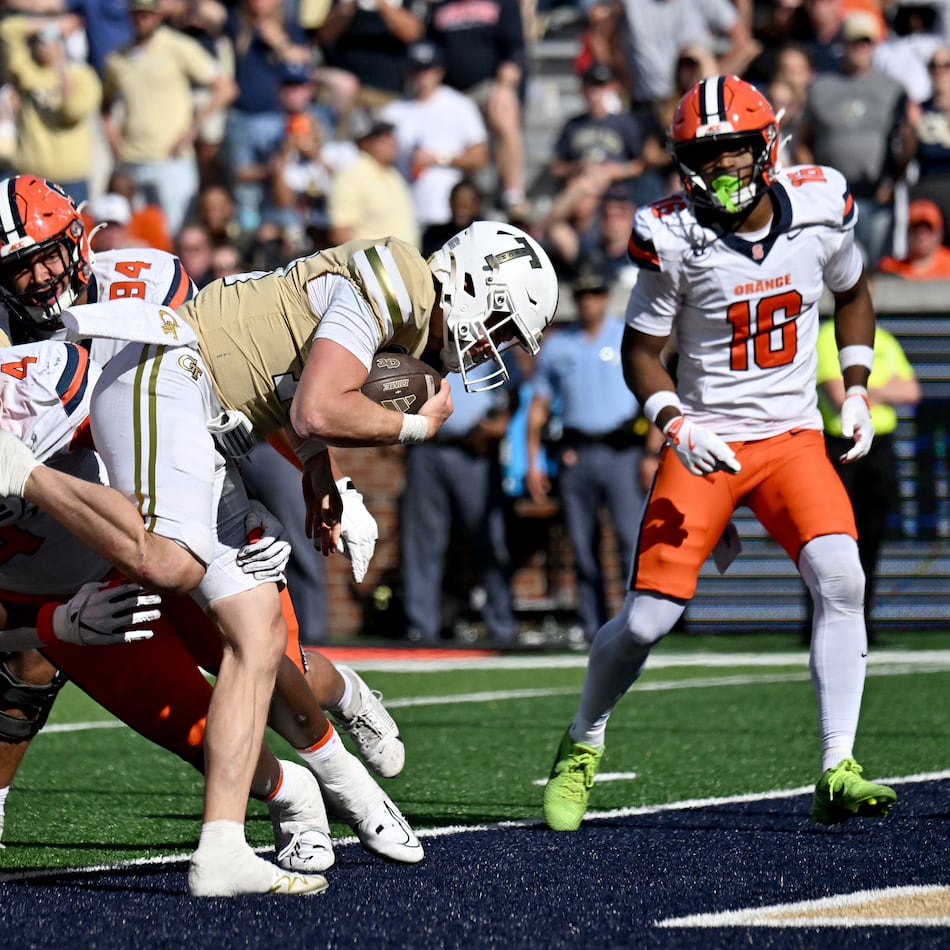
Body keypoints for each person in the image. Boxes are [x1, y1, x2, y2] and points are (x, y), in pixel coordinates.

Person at [0, 176, 422, 893]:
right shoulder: (19, 370)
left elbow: (238, 386)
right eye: (19, 266)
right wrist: (53, 622)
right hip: (80, 566)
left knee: (264, 658)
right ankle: (292, 800)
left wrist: (316, 476)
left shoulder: (146, 281)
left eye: (47, 254)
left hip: (183, 508)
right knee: (176, 717)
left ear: (78, 236)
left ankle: (342, 723)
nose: (39, 276)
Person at [542, 75, 897, 834]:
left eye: (734, 151)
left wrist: (858, 385)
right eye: (706, 155)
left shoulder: (821, 205)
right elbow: (642, 352)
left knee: (841, 576)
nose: (723, 169)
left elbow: (855, 294)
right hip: (708, 438)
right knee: (645, 623)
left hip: (794, 433)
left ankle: (838, 763)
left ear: (766, 147)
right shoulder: (673, 235)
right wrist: (675, 422)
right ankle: (583, 740)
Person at [525, 258, 645, 643]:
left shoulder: (625, 336)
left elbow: (650, 394)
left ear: (606, 297)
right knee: (582, 545)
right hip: (576, 454)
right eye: (582, 295)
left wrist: (653, 452)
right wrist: (533, 463)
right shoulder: (559, 346)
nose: (589, 301)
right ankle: (595, 626)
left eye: (595, 293)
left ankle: (637, 624)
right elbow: (539, 408)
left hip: (622, 451)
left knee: (631, 541)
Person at [810, 317, 922, 641]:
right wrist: (886, 389)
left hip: (880, 448)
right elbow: (838, 394)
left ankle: (863, 623)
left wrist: (867, 391)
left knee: (871, 538)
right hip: (841, 448)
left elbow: (912, 390)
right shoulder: (828, 335)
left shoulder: (883, 338)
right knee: (831, 538)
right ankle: (821, 623)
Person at [400, 358, 519, 645]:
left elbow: (517, 393)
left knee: (489, 540)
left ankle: (502, 625)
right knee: (422, 543)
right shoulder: (425, 336)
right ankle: (421, 628)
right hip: (426, 449)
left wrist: (498, 426)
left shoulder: (491, 340)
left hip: (474, 451)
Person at [101, 0, 237, 234]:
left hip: (171, 159)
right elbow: (105, 105)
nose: (142, 19)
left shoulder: (178, 47)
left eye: (148, 14)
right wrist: (113, 139)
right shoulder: (117, 58)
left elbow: (226, 88)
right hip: (132, 159)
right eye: (137, 14)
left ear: (158, 16)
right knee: (132, 237)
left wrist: (191, 130)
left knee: (175, 234)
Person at [793, 10, 913, 268]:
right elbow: (802, 141)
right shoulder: (821, 86)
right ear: (842, 43)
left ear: (875, 44)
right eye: (853, 41)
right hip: (831, 198)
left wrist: (893, 180)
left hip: (875, 193)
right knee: (831, 269)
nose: (859, 47)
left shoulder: (893, 89)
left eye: (865, 41)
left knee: (878, 270)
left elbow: (908, 138)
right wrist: (815, 185)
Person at [380, 40, 490, 233]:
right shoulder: (393, 112)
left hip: (446, 213)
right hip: (403, 212)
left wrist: (439, 159)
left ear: (440, 71)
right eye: (417, 70)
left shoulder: (459, 106)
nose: (422, 76)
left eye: (428, 69)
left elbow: (479, 157)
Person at [0, 15, 102, 206]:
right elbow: (7, 30)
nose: (44, 46)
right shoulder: (28, 74)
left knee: (74, 233)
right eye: (40, 41)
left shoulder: (84, 76)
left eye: (51, 42)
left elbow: (72, 111)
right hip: (31, 177)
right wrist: (52, 25)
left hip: (71, 179)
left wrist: (59, 67)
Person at [326, 109, 419, 246]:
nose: (390, 140)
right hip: (377, 265)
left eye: (390, 133)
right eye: (380, 135)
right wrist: (374, 265)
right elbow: (341, 233)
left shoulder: (393, 174)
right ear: (362, 141)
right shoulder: (351, 176)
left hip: (406, 264)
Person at [877, 198, 950, 278]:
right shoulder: (890, 268)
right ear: (907, 232)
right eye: (916, 228)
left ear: (939, 233)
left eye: (928, 229)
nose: (921, 236)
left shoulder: (948, 264)